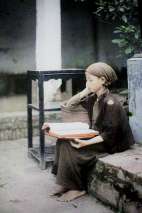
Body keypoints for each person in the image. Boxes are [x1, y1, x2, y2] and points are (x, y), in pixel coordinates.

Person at [42, 62, 135, 202]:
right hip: (99, 135)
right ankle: (64, 183)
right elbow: (70, 105)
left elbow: (109, 135)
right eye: (87, 80)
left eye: (90, 80)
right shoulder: (93, 98)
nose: (87, 83)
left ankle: (76, 188)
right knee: (62, 141)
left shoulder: (111, 102)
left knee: (71, 147)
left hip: (113, 143)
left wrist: (84, 143)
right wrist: (86, 91)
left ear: (103, 80)